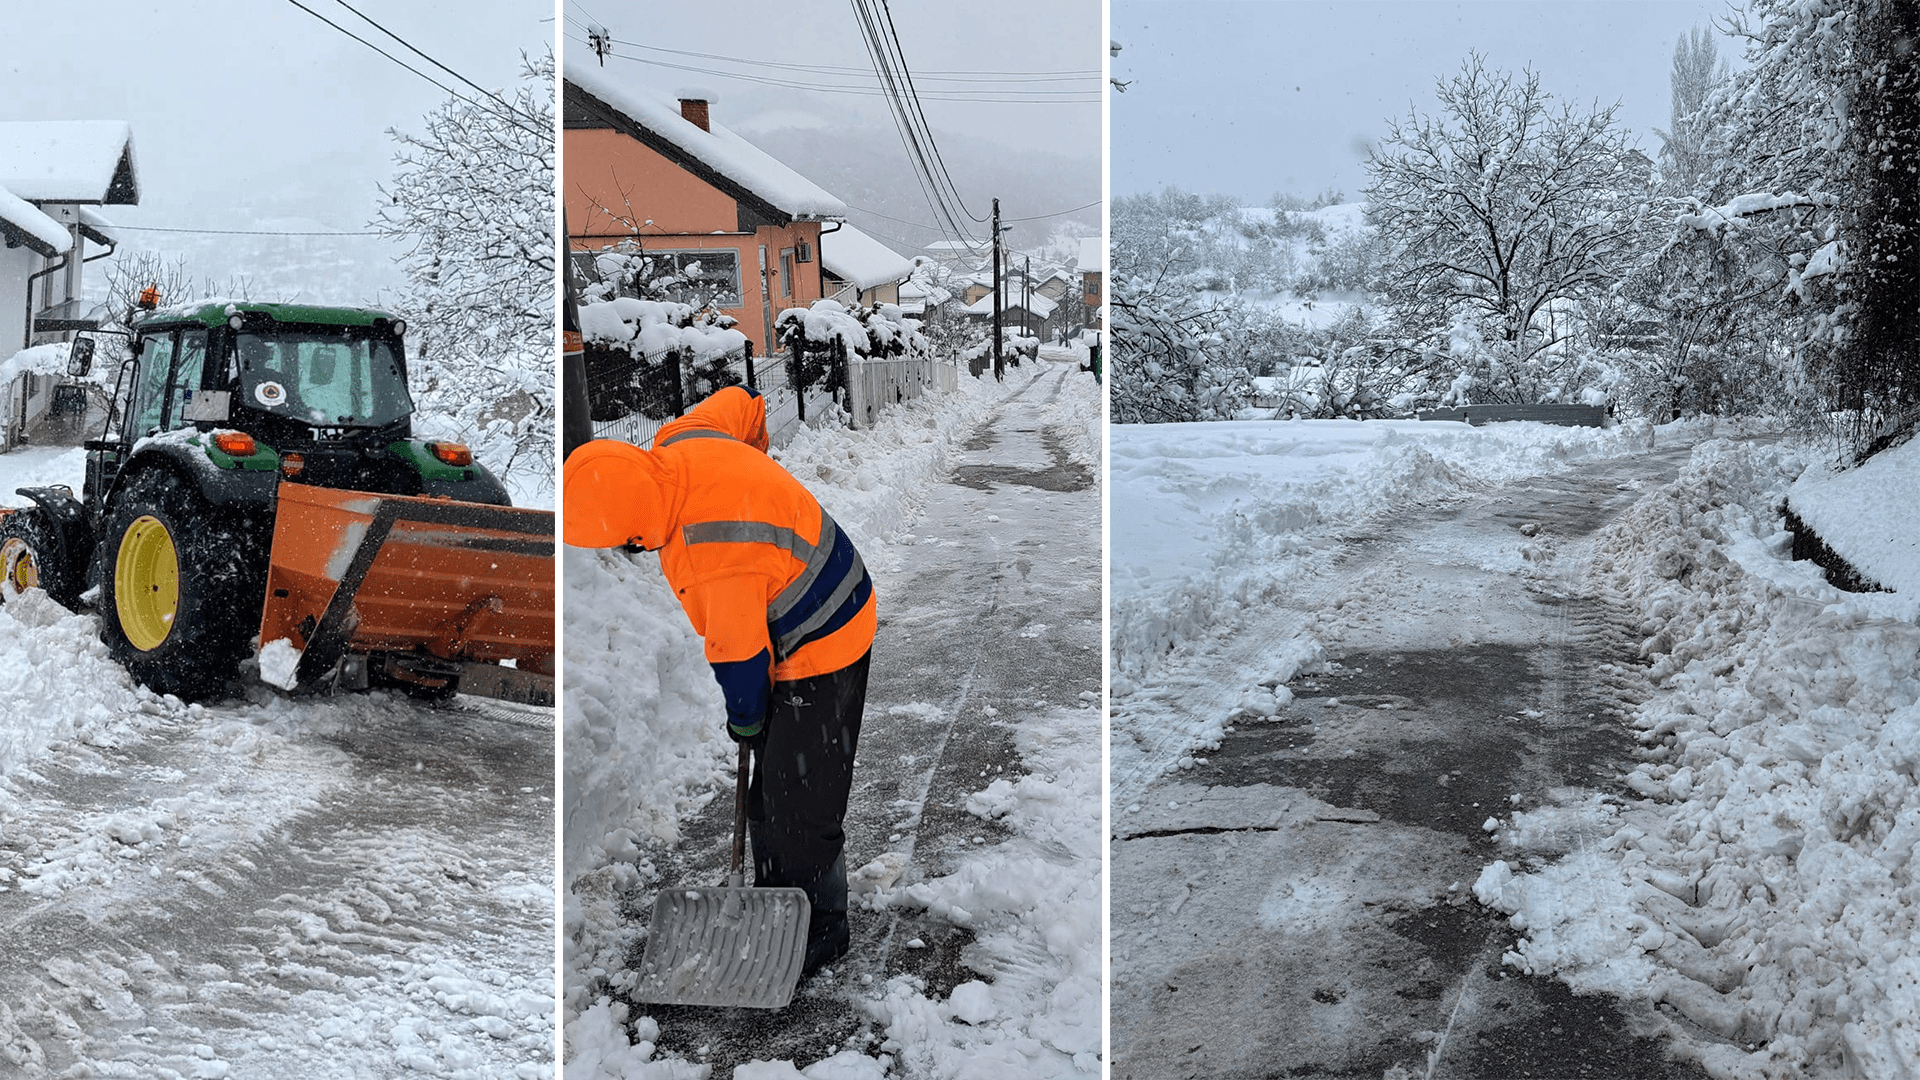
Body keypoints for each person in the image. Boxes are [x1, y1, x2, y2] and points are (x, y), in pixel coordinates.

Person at [563, 384, 876, 976]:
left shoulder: (710, 550)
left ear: (634, 532)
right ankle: (777, 891)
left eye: (625, 543)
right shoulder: (681, 440)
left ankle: (819, 930)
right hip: (816, 577)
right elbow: (743, 401)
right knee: (774, 787)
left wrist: (748, 717)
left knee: (799, 798)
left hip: (826, 631)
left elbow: (740, 658)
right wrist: (756, 470)